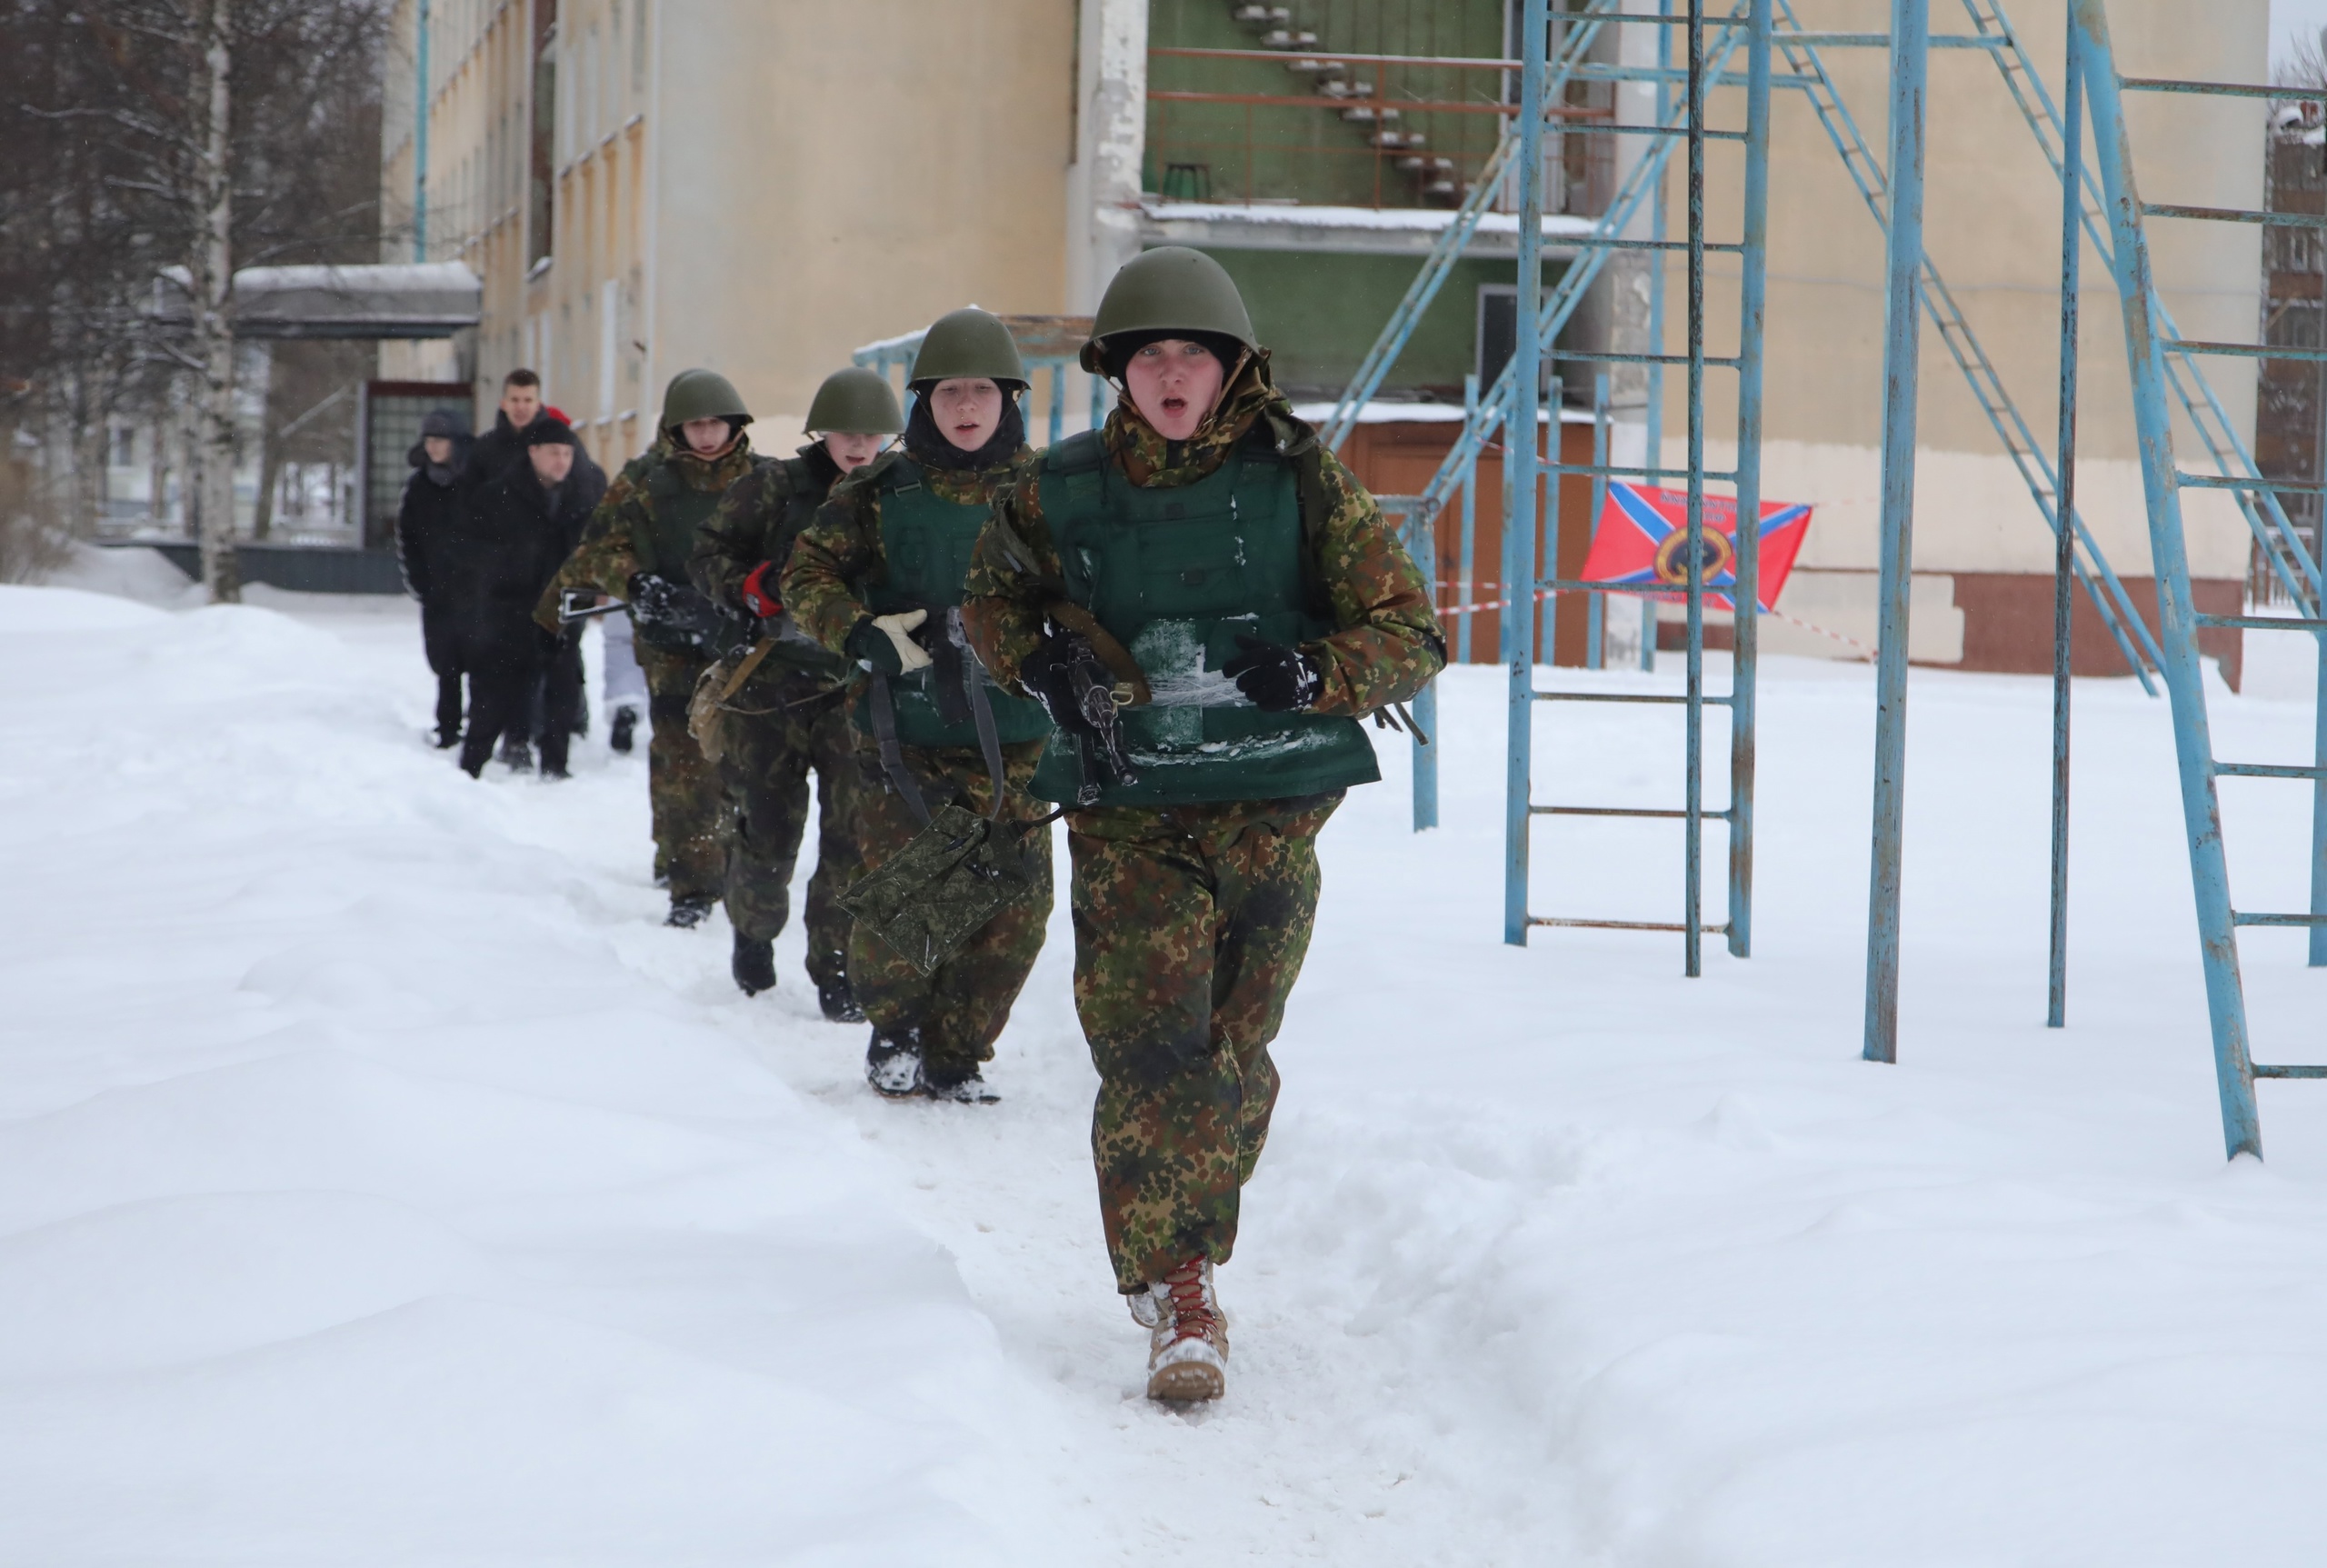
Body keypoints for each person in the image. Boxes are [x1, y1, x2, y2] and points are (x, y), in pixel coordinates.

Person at [961, 247, 1444, 1403]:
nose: (1173, 374)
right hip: (1131, 809)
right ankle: (1179, 1286)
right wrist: (1042, 664)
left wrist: (1313, 673)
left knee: (1233, 1055)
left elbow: (1410, 634)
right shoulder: (1056, 488)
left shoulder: (1303, 482)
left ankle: (1182, 1231)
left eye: (1195, 354)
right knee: (1150, 1047)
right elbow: (991, 603)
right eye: (1150, 356)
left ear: (1233, 367)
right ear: (1118, 371)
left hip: (1272, 806)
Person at [783, 310, 1054, 1104]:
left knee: (1016, 911)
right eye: (949, 393)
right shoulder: (876, 492)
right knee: (912, 896)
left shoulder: (1047, 489)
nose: (966, 406)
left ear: (1009, 399)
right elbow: (809, 577)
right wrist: (859, 633)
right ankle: (896, 1028)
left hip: (1021, 736)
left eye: (982, 391)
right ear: (922, 403)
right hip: (909, 732)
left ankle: (959, 1049)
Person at [691, 367, 904, 1014]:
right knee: (767, 831)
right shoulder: (775, 486)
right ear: (823, 433)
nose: (860, 446)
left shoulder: (903, 492)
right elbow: (707, 553)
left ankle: (836, 968)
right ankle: (753, 931)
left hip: (858, 688)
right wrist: (748, 587)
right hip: (772, 686)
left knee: (851, 839)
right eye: (848, 434)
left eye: (872, 435)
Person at [537, 370, 758, 926]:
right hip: (670, 648)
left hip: (742, 647)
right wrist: (637, 583)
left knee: (741, 765)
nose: (706, 436)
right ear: (675, 427)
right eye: (694, 425)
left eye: (715, 424)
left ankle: (734, 868)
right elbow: (595, 551)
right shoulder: (645, 480)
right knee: (683, 766)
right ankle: (690, 887)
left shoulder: (764, 480)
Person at [463, 415, 606, 778]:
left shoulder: (583, 496)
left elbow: (597, 550)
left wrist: (597, 590)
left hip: (564, 608)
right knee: (498, 690)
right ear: (533, 453)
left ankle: (556, 764)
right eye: (553, 453)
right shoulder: (498, 496)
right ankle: (473, 764)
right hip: (511, 609)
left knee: (563, 687)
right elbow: (475, 555)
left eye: (567, 454)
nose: (561, 461)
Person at [394, 406, 474, 748]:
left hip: (477, 588)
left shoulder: (478, 480)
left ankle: (481, 727)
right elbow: (407, 536)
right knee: (445, 663)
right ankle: (448, 726)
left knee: (481, 661)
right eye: (429, 440)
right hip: (437, 588)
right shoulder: (418, 486)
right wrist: (419, 581)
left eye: (440, 439)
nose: (433, 447)